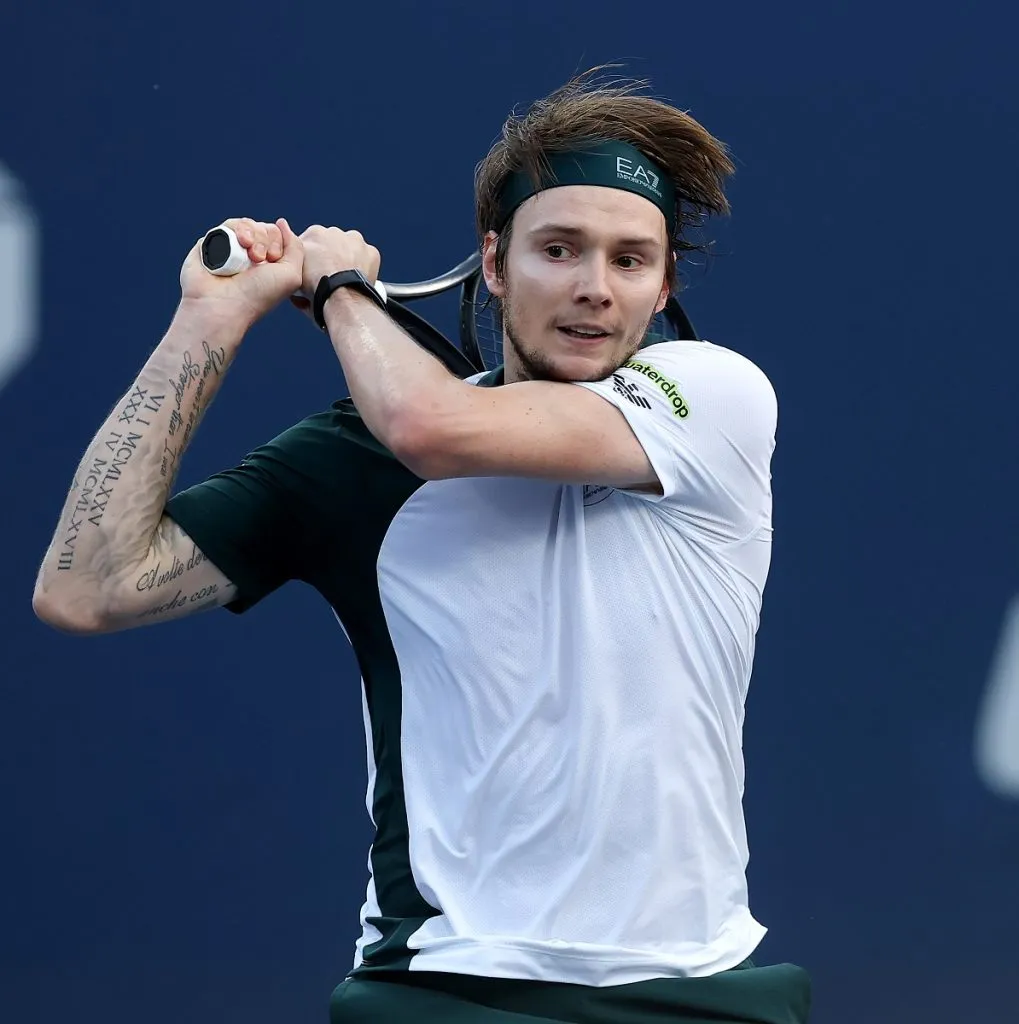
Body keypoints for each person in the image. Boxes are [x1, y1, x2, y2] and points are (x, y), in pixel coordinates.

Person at [33, 70, 811, 1023]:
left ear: (662, 287)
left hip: (695, 991)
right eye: (557, 250)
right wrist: (208, 321)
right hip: (440, 988)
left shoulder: (715, 396)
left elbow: (427, 426)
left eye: (629, 260)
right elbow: (88, 588)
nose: (593, 290)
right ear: (492, 263)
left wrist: (340, 292)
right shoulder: (351, 461)